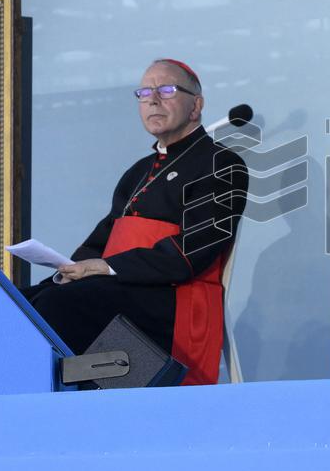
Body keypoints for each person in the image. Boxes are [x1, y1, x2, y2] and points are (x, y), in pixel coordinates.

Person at [23, 58, 248, 385]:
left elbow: (191, 254)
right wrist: (68, 270)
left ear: (196, 105)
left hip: (172, 298)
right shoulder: (138, 171)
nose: (153, 100)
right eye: (144, 93)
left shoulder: (222, 163)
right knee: (25, 301)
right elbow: (101, 240)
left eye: (167, 90)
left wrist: (104, 268)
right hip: (121, 291)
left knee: (58, 307)